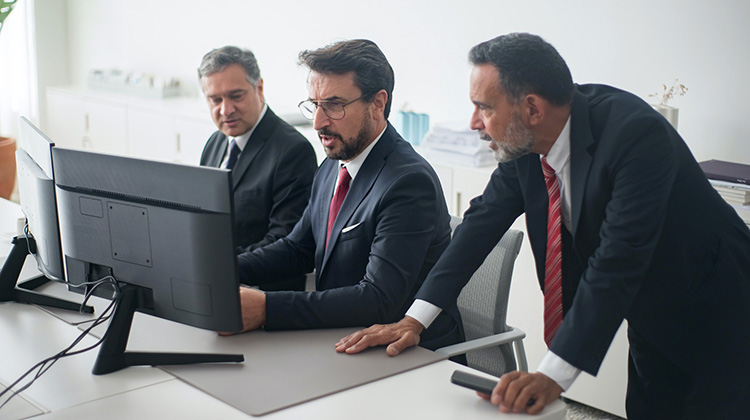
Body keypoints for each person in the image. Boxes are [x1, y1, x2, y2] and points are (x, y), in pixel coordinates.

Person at [335, 33, 750, 419]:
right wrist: (415, 319)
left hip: (720, 308)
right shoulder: (525, 145)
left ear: (532, 108)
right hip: (647, 307)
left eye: (484, 107)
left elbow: (617, 258)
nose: (474, 123)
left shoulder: (635, 135)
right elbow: (479, 226)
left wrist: (552, 374)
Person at [223, 39, 463, 353]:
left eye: (334, 105)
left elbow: (378, 298)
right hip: (340, 339)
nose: (318, 122)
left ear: (377, 103)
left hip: (408, 356)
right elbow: (298, 249)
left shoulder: (408, 182)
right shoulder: (334, 163)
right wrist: (225, 269)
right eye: (314, 104)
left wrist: (267, 308)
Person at [198, 46, 317, 291]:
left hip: (263, 293)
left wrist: (216, 267)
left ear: (259, 88)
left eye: (236, 96)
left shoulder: (292, 151)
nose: (225, 110)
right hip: (214, 285)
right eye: (215, 100)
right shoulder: (215, 142)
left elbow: (283, 242)